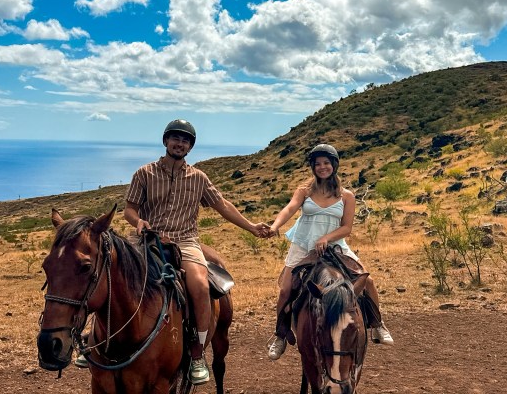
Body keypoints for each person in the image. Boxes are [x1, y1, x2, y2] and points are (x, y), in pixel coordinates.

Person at [122, 119, 269, 384]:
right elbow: (130, 208)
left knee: (201, 286)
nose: (180, 143)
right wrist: (138, 222)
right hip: (147, 239)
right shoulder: (144, 173)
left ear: (190, 147)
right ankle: (95, 338)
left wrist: (251, 227)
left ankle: (198, 350)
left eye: (186, 140)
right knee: (113, 273)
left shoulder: (198, 178)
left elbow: (222, 205)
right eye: (176, 138)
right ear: (166, 141)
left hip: (185, 241)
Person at [265, 143, 394, 361]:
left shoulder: (346, 195)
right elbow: (289, 208)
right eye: (318, 164)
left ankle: (377, 324)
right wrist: (275, 226)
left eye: (326, 163)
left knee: (367, 281)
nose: (322, 167)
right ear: (312, 167)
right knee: (286, 290)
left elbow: (347, 227)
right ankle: (280, 334)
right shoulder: (304, 191)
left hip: (335, 246)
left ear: (334, 165)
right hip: (303, 245)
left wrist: (326, 238)